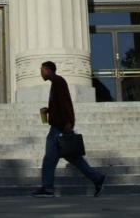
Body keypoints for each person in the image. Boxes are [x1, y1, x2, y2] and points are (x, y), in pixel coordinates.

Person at [31, 61, 106, 197]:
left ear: (48, 70)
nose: (41, 72)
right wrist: (50, 110)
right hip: (59, 126)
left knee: (49, 159)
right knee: (75, 159)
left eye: (42, 70)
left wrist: (68, 123)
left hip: (59, 128)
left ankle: (47, 189)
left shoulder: (59, 82)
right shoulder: (56, 83)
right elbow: (60, 104)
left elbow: (66, 103)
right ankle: (97, 178)